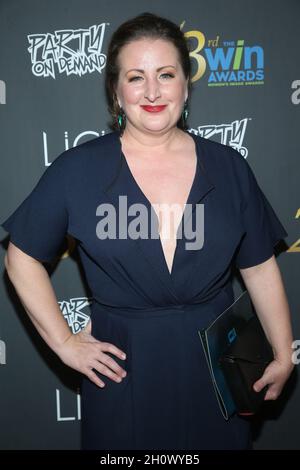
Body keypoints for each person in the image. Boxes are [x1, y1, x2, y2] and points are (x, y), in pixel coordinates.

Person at [1, 12, 295, 450]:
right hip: (124, 372)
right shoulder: (78, 170)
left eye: (166, 74)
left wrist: (283, 352)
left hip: (217, 371)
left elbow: (259, 267)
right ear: (116, 92)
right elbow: (20, 256)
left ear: (185, 85)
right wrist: (64, 342)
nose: (153, 91)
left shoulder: (229, 167)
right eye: (136, 77)